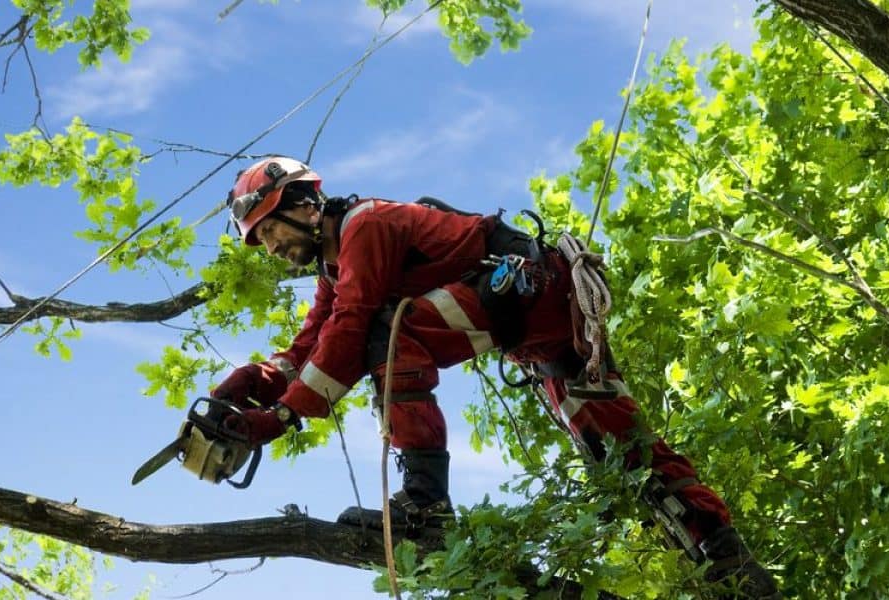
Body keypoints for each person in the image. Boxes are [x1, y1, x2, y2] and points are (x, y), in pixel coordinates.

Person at [213, 156, 778, 597]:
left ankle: (426, 505)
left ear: (305, 204)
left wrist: (283, 415)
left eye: (268, 230)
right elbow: (314, 340)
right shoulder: (337, 268)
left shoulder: (367, 226)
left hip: (530, 294)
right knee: (620, 451)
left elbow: (349, 329)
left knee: (389, 331)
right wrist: (255, 381)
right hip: (539, 329)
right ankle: (730, 565)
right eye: (259, 240)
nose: (269, 247)